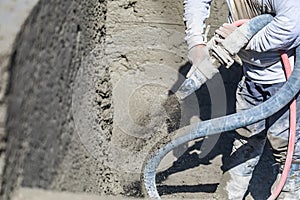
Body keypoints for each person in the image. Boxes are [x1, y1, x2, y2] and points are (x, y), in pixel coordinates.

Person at [183, 0, 300, 199]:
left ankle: (289, 189)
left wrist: (242, 39)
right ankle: (231, 191)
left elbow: (290, 26)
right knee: (246, 135)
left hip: (286, 81)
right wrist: (196, 41)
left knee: (287, 147)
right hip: (251, 76)